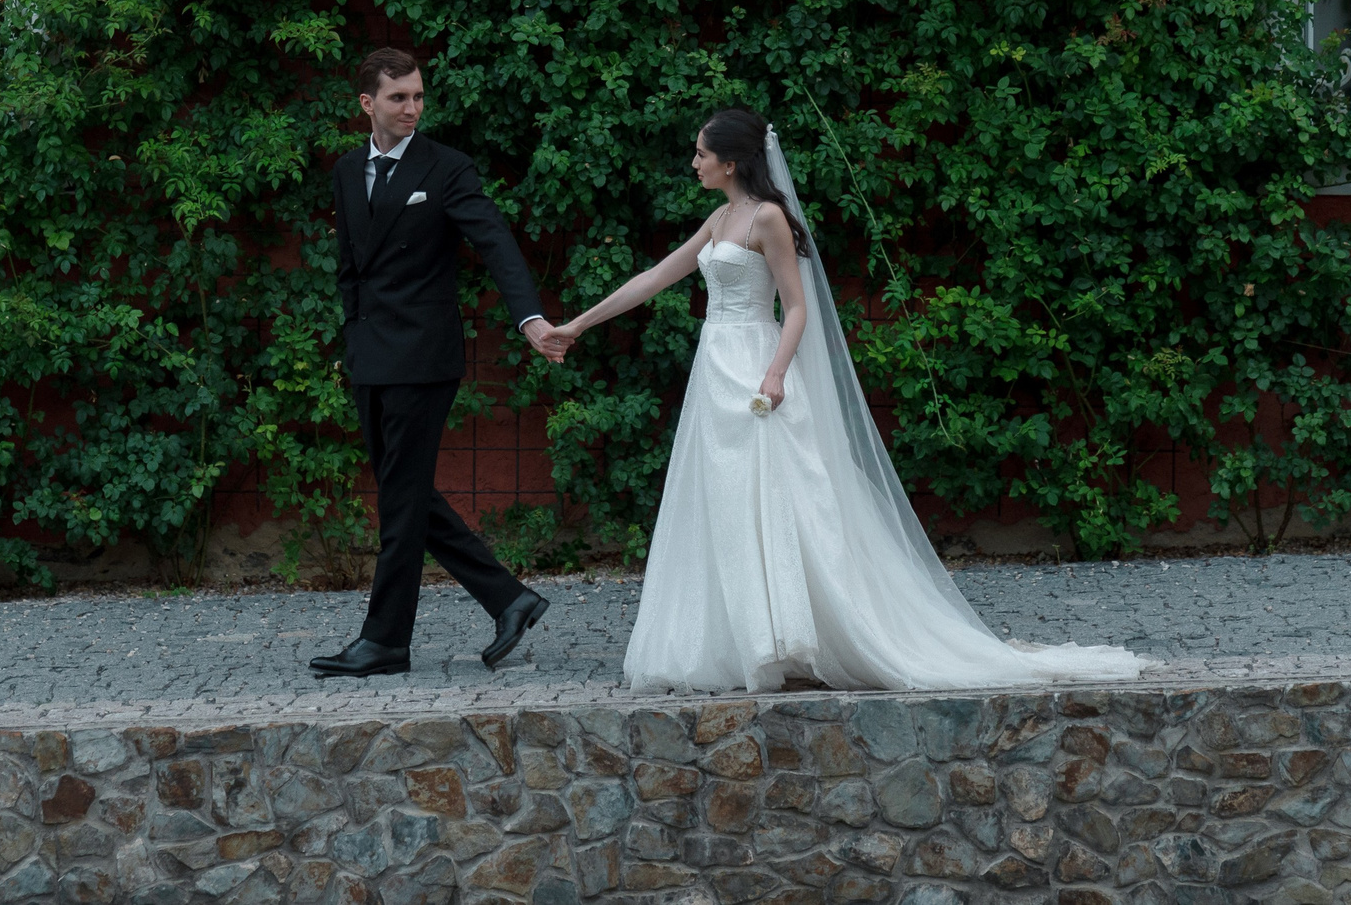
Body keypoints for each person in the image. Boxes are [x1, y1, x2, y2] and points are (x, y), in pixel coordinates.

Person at [551, 107, 1144, 693]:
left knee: (783, 502)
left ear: (731, 161)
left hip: (758, 367)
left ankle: (793, 639)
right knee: (726, 503)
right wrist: (577, 325)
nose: (694, 162)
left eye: (702, 153)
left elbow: (798, 306)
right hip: (715, 371)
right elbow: (655, 278)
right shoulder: (718, 218)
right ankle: (743, 641)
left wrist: (777, 374)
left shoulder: (768, 219)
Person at [308, 47, 564, 679]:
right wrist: (351, 335)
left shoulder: (446, 168)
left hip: (424, 358)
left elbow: (496, 244)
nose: (413, 107)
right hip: (370, 355)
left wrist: (530, 318)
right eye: (399, 97)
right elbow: (349, 267)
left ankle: (385, 641)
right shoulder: (346, 171)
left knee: (400, 501)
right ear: (368, 103)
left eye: (419, 95)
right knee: (406, 494)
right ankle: (509, 598)